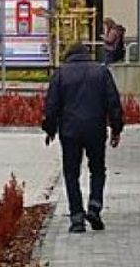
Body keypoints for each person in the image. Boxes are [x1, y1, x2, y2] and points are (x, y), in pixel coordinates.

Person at [42, 40, 125, 233]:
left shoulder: (61, 74)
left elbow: (52, 105)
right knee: (97, 169)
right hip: (96, 129)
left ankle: (77, 218)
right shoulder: (101, 72)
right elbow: (113, 102)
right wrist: (116, 128)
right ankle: (94, 206)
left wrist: (50, 129)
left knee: (71, 173)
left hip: (70, 131)